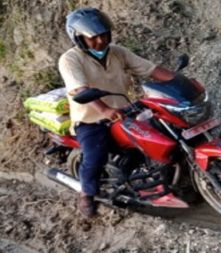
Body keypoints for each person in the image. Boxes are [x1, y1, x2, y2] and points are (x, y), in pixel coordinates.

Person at [59, 8, 175, 217]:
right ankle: (86, 194)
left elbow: (149, 69)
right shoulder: (70, 60)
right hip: (91, 120)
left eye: (104, 35)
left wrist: (177, 80)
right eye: (93, 38)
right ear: (79, 38)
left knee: (160, 134)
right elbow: (80, 89)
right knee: (95, 155)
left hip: (123, 112)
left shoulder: (118, 52)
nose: (101, 41)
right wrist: (105, 110)